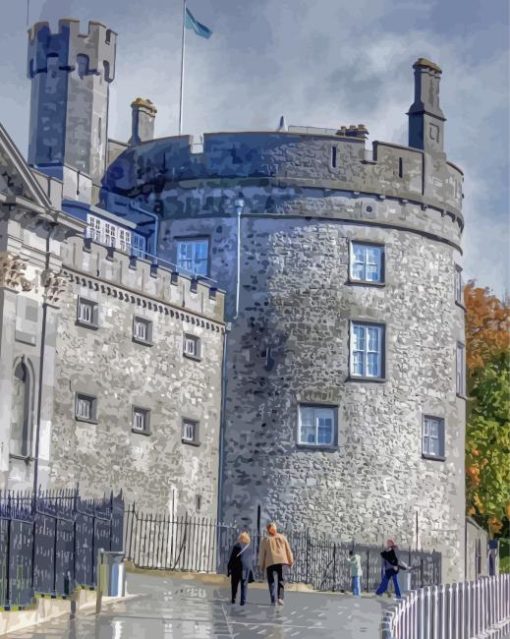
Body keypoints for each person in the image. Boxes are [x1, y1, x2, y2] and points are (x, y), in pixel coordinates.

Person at [258, 522, 294, 606]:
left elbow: (262, 554)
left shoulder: (265, 540)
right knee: (281, 580)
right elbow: (288, 550)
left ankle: (273, 599)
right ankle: (280, 598)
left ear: (267, 530)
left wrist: (261, 565)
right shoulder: (283, 537)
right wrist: (290, 561)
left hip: (270, 562)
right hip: (282, 561)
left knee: (271, 581)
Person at [227, 531, 254, 606]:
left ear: (240, 538)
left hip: (236, 568)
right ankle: (243, 601)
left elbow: (232, 558)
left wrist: (229, 568)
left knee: (234, 584)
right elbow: (251, 559)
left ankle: (233, 598)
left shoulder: (236, 547)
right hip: (245, 569)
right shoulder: (250, 548)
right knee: (244, 585)